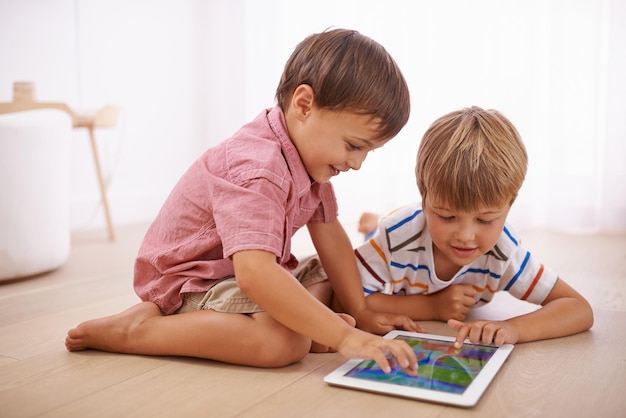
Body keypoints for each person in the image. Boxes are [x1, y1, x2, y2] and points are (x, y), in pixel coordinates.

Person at [65, 28, 422, 374]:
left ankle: (309, 324)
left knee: (340, 267)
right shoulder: (257, 167)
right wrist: (345, 336)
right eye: (354, 146)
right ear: (304, 105)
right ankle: (139, 331)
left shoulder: (310, 162)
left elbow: (329, 234)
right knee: (285, 344)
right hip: (191, 282)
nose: (357, 164)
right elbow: (255, 275)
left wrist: (359, 310)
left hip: (242, 273)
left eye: (368, 153)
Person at [355, 106, 594, 348]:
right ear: (424, 200)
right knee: (382, 229)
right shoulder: (397, 236)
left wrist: (513, 328)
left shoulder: (503, 250)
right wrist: (432, 307)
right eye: (447, 217)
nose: (466, 237)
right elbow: (348, 300)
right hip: (395, 231)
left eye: (485, 220)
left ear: (510, 205)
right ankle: (374, 224)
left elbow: (578, 308)